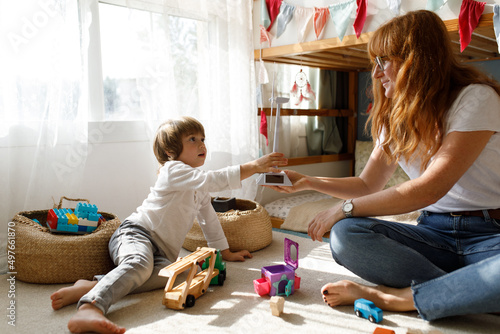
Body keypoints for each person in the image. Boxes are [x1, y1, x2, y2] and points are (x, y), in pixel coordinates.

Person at [268, 10, 500, 321]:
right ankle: (466, 290)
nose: (377, 73)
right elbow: (367, 185)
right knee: (345, 235)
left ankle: (401, 297)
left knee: (344, 218)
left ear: (415, 61)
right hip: (434, 235)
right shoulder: (395, 120)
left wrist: (343, 207)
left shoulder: (475, 99)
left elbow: (431, 187)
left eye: (383, 62)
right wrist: (308, 181)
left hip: (490, 235)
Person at [51, 116, 288, 334]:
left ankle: (93, 285)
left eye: (203, 139)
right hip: (136, 234)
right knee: (141, 265)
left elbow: (209, 218)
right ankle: (91, 306)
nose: (202, 144)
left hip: (162, 252)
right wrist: (254, 166)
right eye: (192, 139)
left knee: (178, 276)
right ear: (170, 151)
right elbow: (212, 179)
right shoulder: (173, 170)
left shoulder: (197, 183)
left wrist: (224, 251)